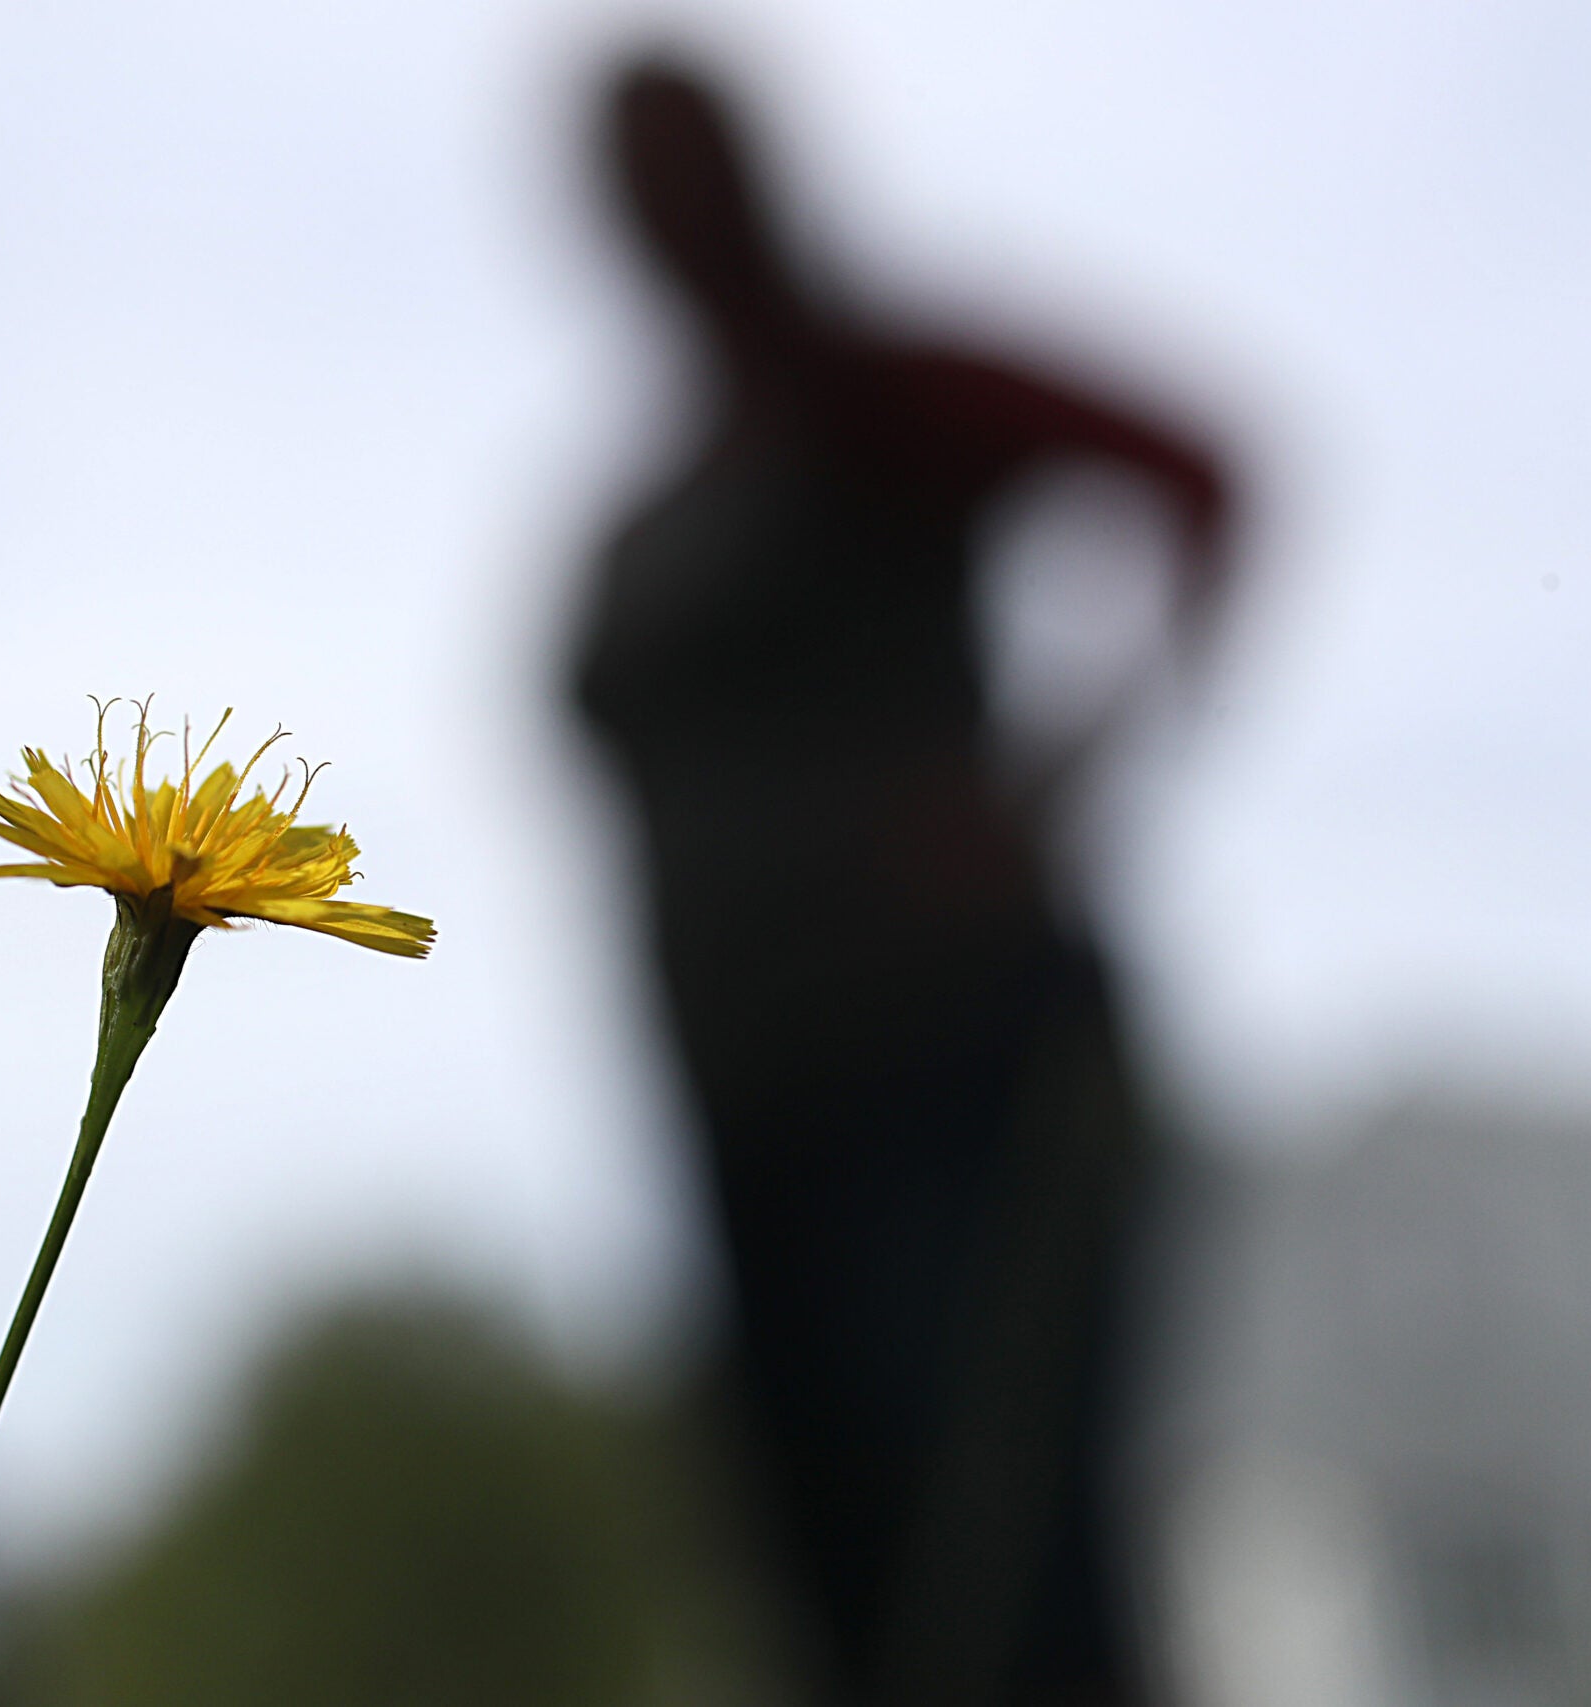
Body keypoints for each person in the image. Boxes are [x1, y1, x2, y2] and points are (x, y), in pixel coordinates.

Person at [570, 53, 1239, 1707]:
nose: (658, 201)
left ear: (755, 169)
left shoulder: (883, 392)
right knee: (832, 1600)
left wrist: (1064, 770)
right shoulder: (663, 481)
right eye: (623, 168)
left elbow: (1202, 472)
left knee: (999, 1577)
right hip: (745, 1103)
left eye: (683, 152)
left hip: (951, 1067)